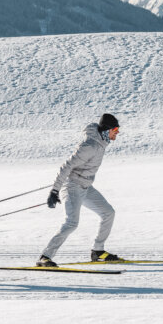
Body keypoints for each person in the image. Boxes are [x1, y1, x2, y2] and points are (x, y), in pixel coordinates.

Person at [37, 113, 122, 267]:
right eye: (115, 129)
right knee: (72, 223)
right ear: (106, 130)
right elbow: (66, 166)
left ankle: (98, 251)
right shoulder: (89, 146)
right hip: (73, 187)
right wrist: (55, 191)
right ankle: (45, 257)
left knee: (108, 213)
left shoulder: (101, 143)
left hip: (86, 186)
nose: (117, 132)